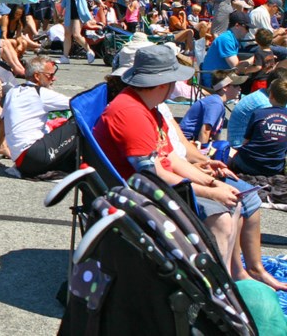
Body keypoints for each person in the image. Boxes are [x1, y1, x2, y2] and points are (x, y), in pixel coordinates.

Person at [95, 45, 286, 292]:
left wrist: (212, 183)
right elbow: (151, 175)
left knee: (235, 201)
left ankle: (227, 280)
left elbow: (171, 158)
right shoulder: (131, 112)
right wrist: (210, 192)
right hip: (135, 191)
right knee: (221, 218)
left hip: (152, 183)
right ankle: (215, 291)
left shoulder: (148, 107)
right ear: (163, 83)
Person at [2, 56, 78, 177]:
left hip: (22, 161)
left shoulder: (13, 91)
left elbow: (2, 124)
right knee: (78, 121)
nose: (54, 78)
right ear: (37, 76)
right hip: (34, 156)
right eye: (50, 75)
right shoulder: (41, 94)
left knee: (57, 123)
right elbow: (80, 104)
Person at [229, 77, 287, 176]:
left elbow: (246, 141)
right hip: (274, 168)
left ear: (271, 95)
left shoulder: (259, 113)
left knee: (224, 151)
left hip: (248, 164)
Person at [178, 70, 245, 144]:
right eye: (236, 85)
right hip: (187, 141)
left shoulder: (218, 103)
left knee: (224, 147)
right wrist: (203, 153)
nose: (240, 88)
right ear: (225, 87)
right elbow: (205, 131)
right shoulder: (215, 103)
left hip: (192, 139)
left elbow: (215, 133)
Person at [60, 0, 101, 64]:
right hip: (70, 9)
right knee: (67, 34)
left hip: (80, 10)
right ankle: (65, 56)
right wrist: (61, 10)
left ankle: (89, 51)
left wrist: (101, 2)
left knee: (77, 34)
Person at [201, 10, 251, 88]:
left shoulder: (231, 38)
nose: (248, 31)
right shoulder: (226, 39)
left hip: (224, 77)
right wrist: (255, 58)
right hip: (215, 82)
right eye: (247, 27)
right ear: (237, 25)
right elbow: (237, 68)